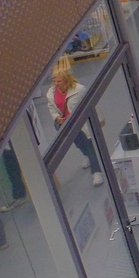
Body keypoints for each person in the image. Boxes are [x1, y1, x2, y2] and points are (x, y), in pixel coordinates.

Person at [48, 58, 105, 186]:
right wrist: (57, 117)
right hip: (67, 126)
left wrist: (99, 119)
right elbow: (52, 108)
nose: (56, 83)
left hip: (81, 124)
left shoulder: (79, 90)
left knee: (90, 146)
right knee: (79, 144)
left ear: (67, 80)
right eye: (54, 80)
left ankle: (97, 172)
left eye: (59, 81)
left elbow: (92, 104)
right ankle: (87, 156)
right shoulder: (51, 93)